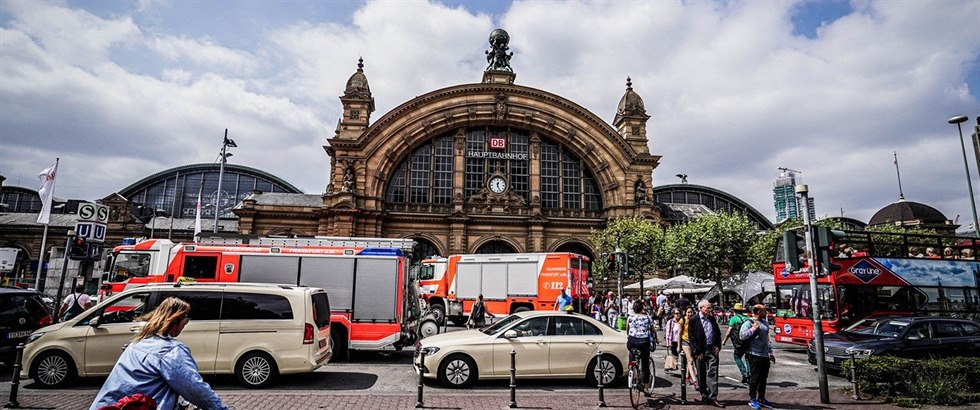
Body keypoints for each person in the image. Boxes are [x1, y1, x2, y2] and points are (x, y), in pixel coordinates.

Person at [90, 297, 227, 410]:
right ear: (176, 320)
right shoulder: (171, 351)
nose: (186, 322)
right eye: (186, 318)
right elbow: (195, 390)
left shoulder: (137, 343)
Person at [689, 300, 724, 408]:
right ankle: (704, 394)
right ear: (701, 308)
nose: (710, 310)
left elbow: (717, 333)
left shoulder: (712, 319)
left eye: (710, 307)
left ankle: (713, 397)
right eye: (708, 308)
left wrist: (718, 346)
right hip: (700, 350)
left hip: (711, 349)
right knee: (701, 373)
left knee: (713, 372)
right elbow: (692, 337)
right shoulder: (694, 320)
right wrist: (697, 351)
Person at [740, 304, 776, 410]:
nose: (766, 313)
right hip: (754, 354)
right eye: (764, 311)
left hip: (764, 355)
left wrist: (770, 352)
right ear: (758, 312)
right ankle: (752, 399)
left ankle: (761, 397)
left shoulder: (764, 322)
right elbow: (742, 336)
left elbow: (766, 339)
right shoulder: (748, 322)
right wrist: (753, 329)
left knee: (763, 378)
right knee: (754, 378)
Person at [626, 301, 657, 395]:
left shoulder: (630, 318)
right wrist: (656, 338)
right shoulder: (647, 318)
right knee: (645, 363)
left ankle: (632, 367)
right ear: (642, 308)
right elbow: (653, 330)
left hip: (631, 342)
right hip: (643, 343)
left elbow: (627, 331)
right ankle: (646, 385)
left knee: (632, 352)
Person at [720, 303, 751, 384]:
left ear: (735, 311)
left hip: (738, 343)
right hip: (747, 341)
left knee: (737, 357)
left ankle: (744, 373)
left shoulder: (734, 319)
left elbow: (729, 331)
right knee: (747, 357)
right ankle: (749, 373)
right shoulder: (746, 318)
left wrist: (724, 341)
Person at [679, 306, 698, 388]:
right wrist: (678, 345)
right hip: (685, 341)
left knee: (691, 361)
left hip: (693, 342)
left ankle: (687, 377)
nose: (690, 314)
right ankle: (695, 381)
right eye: (688, 312)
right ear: (685, 313)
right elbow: (679, 333)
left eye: (691, 312)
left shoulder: (695, 320)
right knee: (690, 360)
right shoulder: (682, 320)